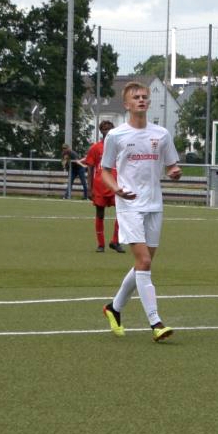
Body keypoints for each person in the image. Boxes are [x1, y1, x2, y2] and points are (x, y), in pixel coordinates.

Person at [100, 82, 182, 342]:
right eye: (136, 97)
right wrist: (117, 189)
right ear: (126, 104)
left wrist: (174, 172)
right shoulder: (116, 136)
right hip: (129, 205)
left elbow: (172, 165)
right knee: (144, 262)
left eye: (145, 96)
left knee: (142, 264)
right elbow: (103, 170)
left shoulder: (162, 134)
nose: (142, 100)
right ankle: (156, 322)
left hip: (154, 204)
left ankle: (114, 307)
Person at [84, 120, 126, 253]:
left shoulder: (121, 147)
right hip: (100, 185)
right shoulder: (95, 148)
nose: (107, 131)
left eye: (109, 128)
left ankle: (115, 241)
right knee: (100, 214)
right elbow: (90, 169)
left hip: (116, 185)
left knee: (121, 213)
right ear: (100, 131)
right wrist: (89, 188)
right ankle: (100, 244)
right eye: (104, 128)